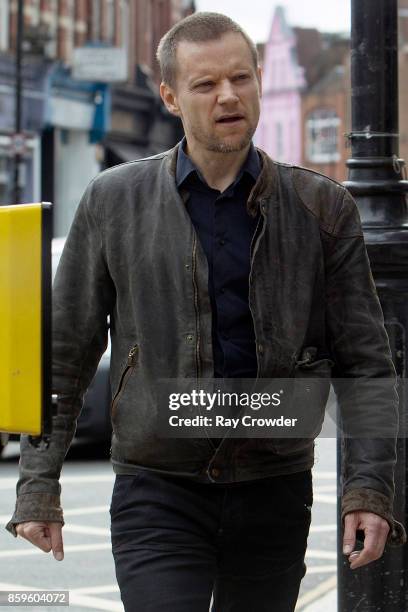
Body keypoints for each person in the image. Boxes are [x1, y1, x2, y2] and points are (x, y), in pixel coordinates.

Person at [5, 11, 406, 612]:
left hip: (273, 486)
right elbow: (64, 351)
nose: (228, 96)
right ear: (169, 95)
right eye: (205, 84)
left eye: (241, 78)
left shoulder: (322, 208)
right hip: (156, 485)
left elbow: (367, 363)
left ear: (259, 82)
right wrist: (38, 486)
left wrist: (368, 490)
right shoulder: (114, 201)